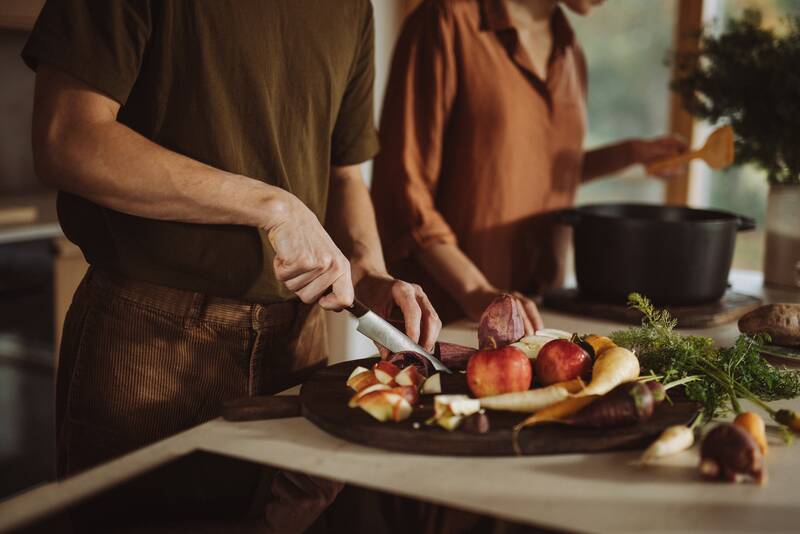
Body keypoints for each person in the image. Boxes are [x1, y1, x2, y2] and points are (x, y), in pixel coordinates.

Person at [23, 1, 440, 531]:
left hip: (299, 349)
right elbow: (66, 137)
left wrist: (370, 274)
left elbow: (344, 176)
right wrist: (273, 205)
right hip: (148, 345)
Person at [371, 0, 687, 332]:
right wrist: (476, 292)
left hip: (538, 314)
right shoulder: (445, 23)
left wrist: (631, 154)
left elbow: (530, 170)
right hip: (449, 321)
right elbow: (404, 191)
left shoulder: (570, 53)